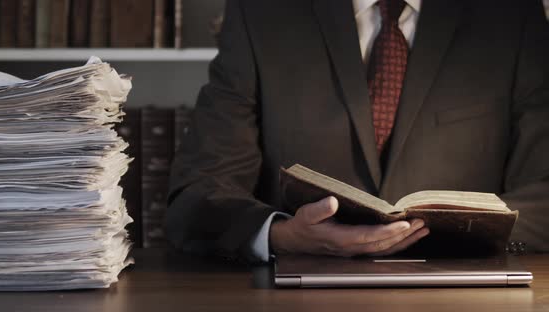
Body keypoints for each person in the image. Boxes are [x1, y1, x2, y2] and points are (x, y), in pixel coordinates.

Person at [165, 0, 549, 262]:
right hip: (299, 293)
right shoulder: (263, 13)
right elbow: (197, 195)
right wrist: (284, 236)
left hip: (467, 295)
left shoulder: (510, 14)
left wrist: (461, 233)